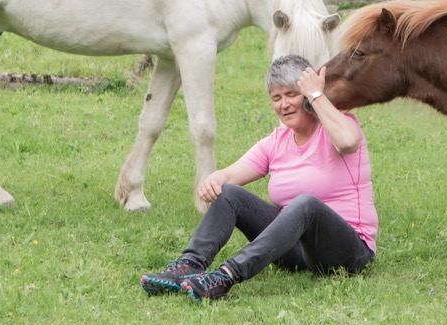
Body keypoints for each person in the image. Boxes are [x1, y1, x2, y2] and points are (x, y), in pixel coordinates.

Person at [139, 54, 378, 303]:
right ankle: (189, 265)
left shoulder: (340, 125)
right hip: (297, 253)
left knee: (305, 204)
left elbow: (348, 142)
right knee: (229, 193)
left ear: (307, 95)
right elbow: (231, 174)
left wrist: (317, 95)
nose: (284, 104)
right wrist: (215, 179)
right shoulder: (277, 141)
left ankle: (226, 275)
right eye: (277, 98)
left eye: (291, 94)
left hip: (349, 252)